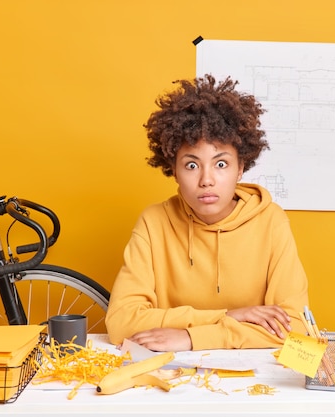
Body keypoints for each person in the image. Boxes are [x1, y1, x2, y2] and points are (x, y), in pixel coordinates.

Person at [105, 74, 309, 352]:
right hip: (170, 375)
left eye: (221, 164)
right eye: (191, 165)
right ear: (173, 170)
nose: (206, 180)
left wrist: (192, 338)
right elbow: (120, 322)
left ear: (240, 168)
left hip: (251, 379)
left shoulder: (270, 221)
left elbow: (296, 327)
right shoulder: (154, 222)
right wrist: (226, 316)